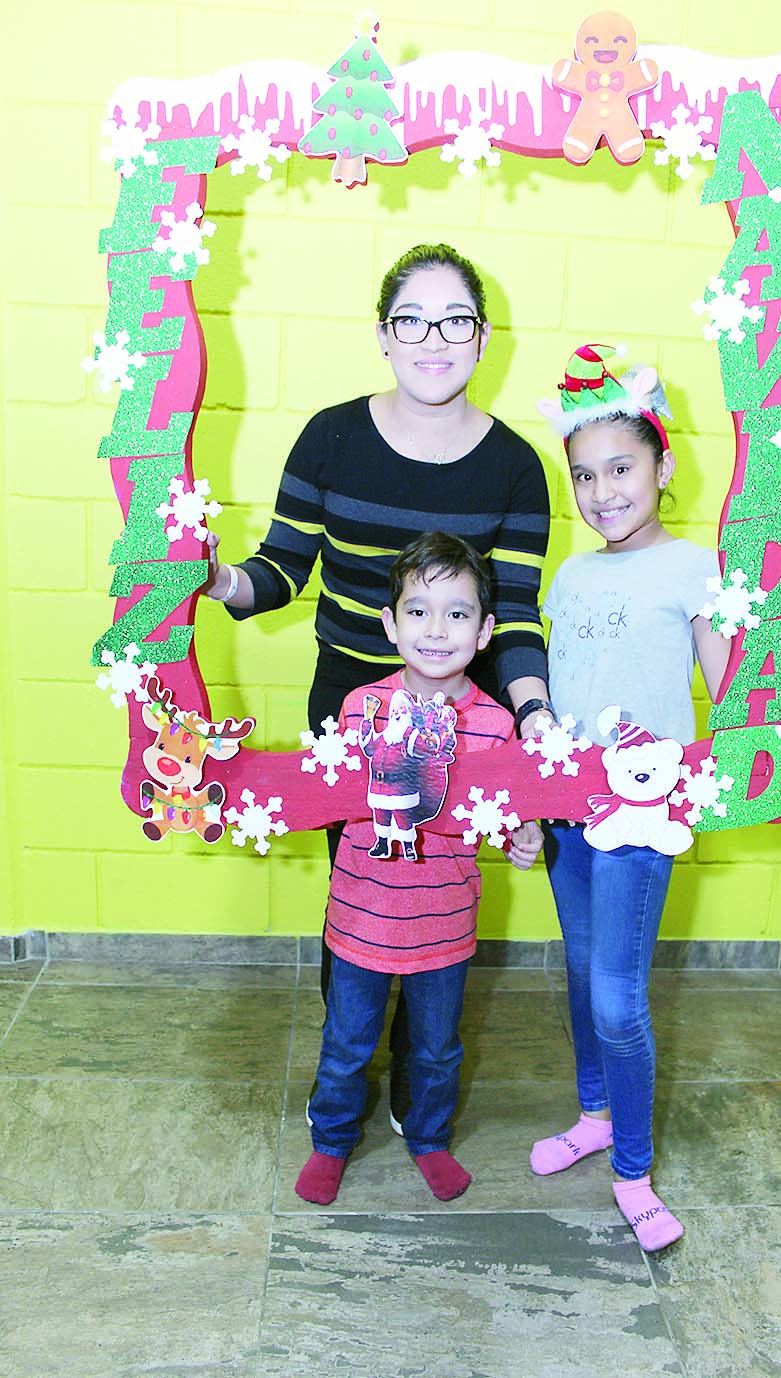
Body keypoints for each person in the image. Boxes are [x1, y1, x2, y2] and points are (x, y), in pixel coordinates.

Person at [203, 244, 555, 1129]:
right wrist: (214, 581)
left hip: (463, 722)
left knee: (439, 899)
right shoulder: (329, 436)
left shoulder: (516, 466)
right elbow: (279, 572)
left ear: (482, 339)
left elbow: (511, 618)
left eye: (455, 321)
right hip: (351, 712)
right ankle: (345, 1077)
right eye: (412, 321)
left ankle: (418, 1079)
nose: (433, 340)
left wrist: (533, 720)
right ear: (383, 336)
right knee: (360, 897)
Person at [529, 345, 781, 1252]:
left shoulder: (696, 568)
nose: (601, 492)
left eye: (620, 468)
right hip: (567, 813)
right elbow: (555, 698)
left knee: (620, 999)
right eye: (583, 476)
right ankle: (592, 1113)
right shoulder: (571, 578)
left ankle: (633, 1166)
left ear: (662, 465)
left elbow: (734, 691)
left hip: (640, 817)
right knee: (582, 982)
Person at [294, 533, 543, 1206]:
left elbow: (513, 809)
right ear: (390, 624)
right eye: (419, 611)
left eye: (458, 613)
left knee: (435, 1049)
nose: (437, 630)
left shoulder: (497, 726)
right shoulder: (357, 710)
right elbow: (326, 799)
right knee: (346, 1043)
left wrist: (524, 835)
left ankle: (429, 1138)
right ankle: (331, 1140)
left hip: (445, 926)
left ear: (486, 630)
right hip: (360, 920)